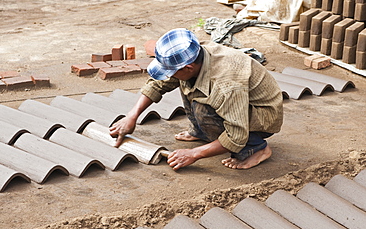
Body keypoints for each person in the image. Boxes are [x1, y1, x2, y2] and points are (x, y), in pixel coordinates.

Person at [109, 28, 283, 171]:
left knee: (204, 105)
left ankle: (258, 148)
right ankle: (202, 132)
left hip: (263, 115)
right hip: (235, 100)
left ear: (188, 67)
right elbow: (159, 83)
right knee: (188, 85)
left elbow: (236, 135)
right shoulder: (194, 55)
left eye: (171, 70)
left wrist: (194, 154)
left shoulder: (225, 85)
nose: (168, 75)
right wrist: (132, 116)